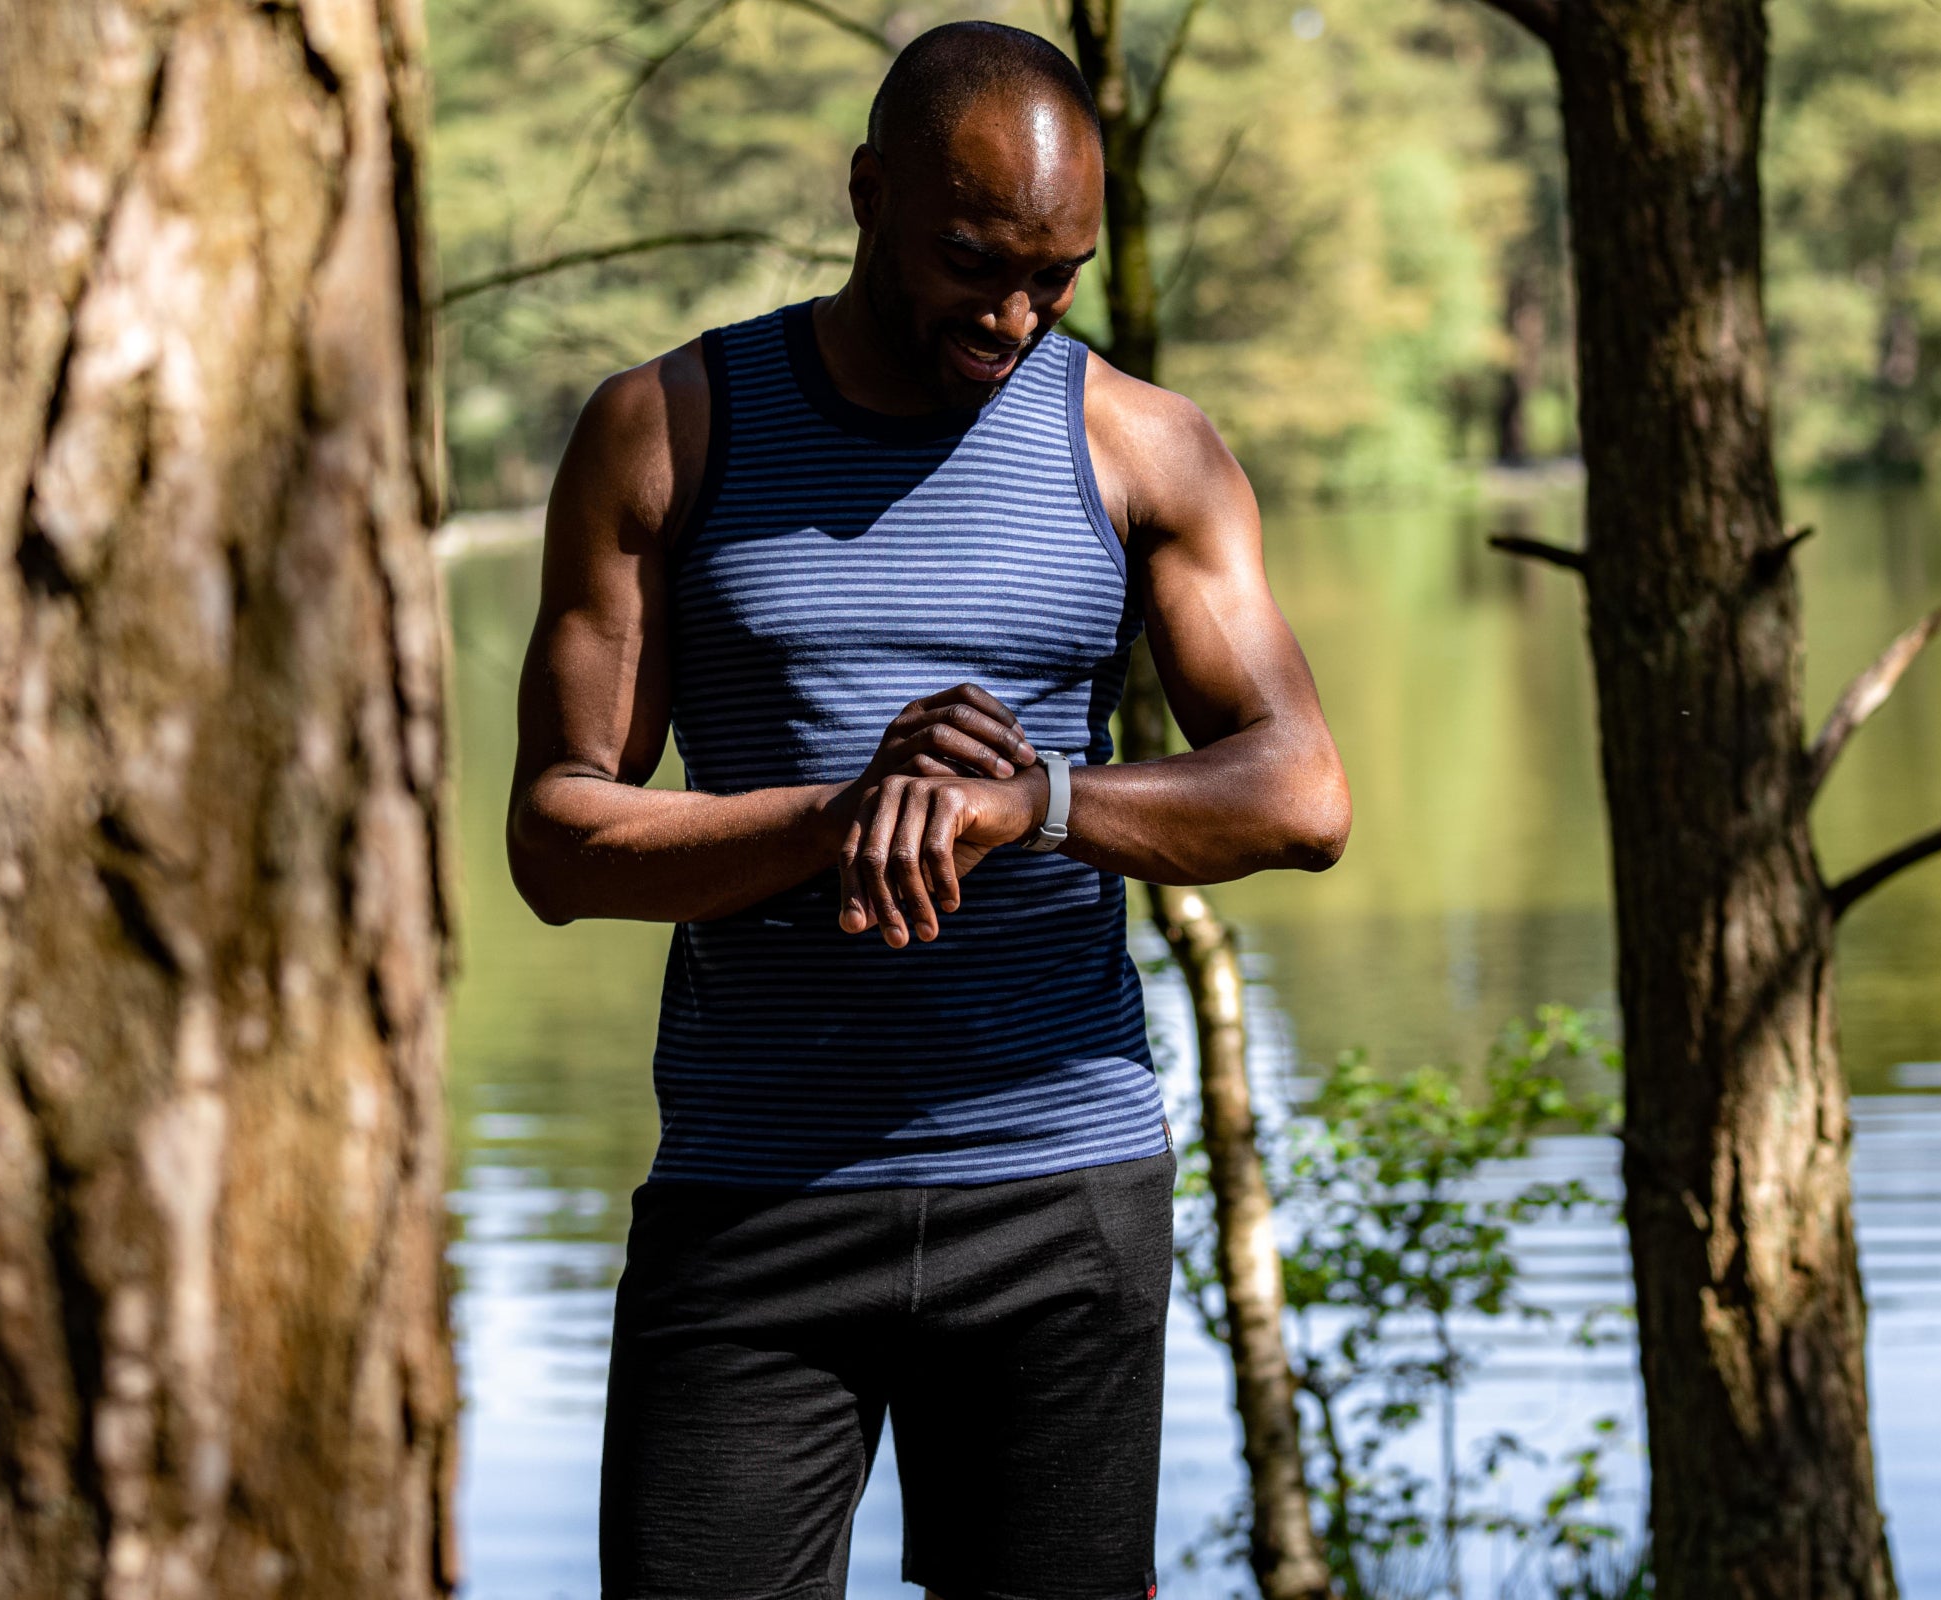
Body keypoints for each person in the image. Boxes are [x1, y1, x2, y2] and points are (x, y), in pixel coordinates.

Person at [507, 19, 1349, 1600]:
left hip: (1057, 1197)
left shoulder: (1142, 444)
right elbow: (556, 841)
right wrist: (843, 818)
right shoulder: (669, 430)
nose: (1017, 316)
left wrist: (1027, 806)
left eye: (1060, 276)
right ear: (866, 193)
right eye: (975, 262)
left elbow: (1300, 792)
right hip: (753, 1195)